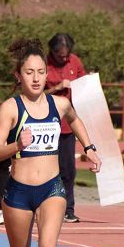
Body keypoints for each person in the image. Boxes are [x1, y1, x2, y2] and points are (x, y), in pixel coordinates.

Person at [0, 39, 101, 247]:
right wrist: (17, 146)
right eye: (29, 72)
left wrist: (89, 148)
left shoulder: (59, 105)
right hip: (19, 191)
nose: (36, 78)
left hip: (52, 187)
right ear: (18, 75)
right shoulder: (10, 108)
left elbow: (75, 120)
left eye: (40, 72)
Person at [45, 33, 87, 222]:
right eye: (59, 56)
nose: (64, 58)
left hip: (67, 126)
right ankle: (46, 207)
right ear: (51, 52)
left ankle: (68, 209)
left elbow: (84, 86)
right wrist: (56, 87)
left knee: (68, 170)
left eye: (66, 55)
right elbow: (32, 92)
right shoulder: (41, 65)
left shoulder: (75, 62)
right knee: (46, 169)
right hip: (46, 125)